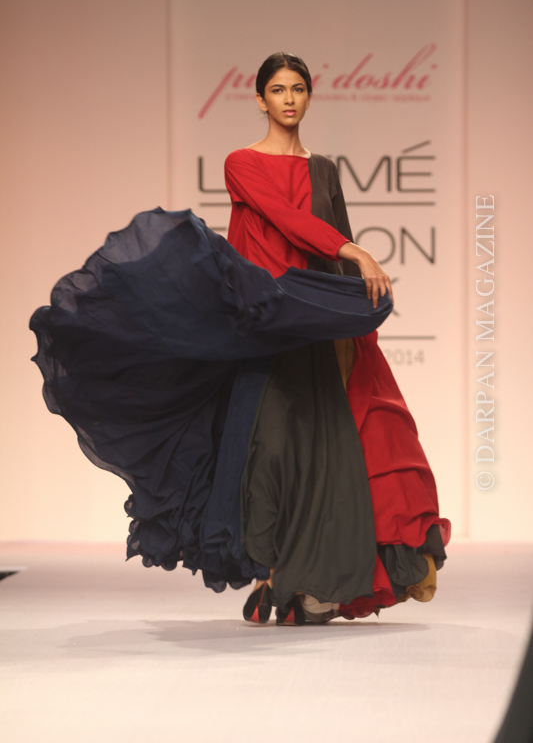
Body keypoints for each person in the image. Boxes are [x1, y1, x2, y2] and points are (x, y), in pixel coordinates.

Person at [29, 51, 450, 628]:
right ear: (260, 99)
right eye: (277, 89)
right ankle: (272, 571)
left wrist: (355, 315)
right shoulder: (241, 163)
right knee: (268, 451)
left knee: (330, 450)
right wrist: (354, 251)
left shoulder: (325, 170)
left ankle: (311, 582)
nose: (289, 99)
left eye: (298, 88)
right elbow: (287, 219)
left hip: (315, 323)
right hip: (265, 320)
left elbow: (333, 240)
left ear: (309, 96)